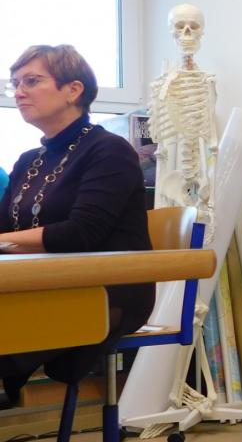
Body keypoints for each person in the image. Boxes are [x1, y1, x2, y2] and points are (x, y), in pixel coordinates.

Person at [0, 45, 154, 410]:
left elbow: (80, 233)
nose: (19, 92)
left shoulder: (110, 151)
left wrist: (4, 241)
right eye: (15, 84)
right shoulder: (28, 161)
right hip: (42, 285)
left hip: (104, 293)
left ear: (73, 90)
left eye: (31, 81)